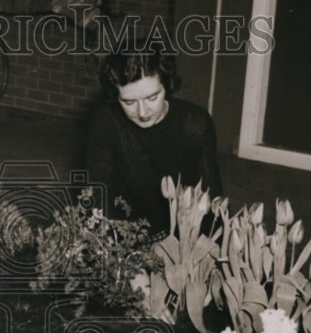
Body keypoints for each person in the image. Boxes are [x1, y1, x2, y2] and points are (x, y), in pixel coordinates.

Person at [85, 47, 223, 237]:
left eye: (152, 98)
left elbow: (212, 200)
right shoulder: (105, 121)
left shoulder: (196, 123)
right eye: (129, 102)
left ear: (167, 86)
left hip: (180, 235)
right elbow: (99, 194)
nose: (142, 113)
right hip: (125, 230)